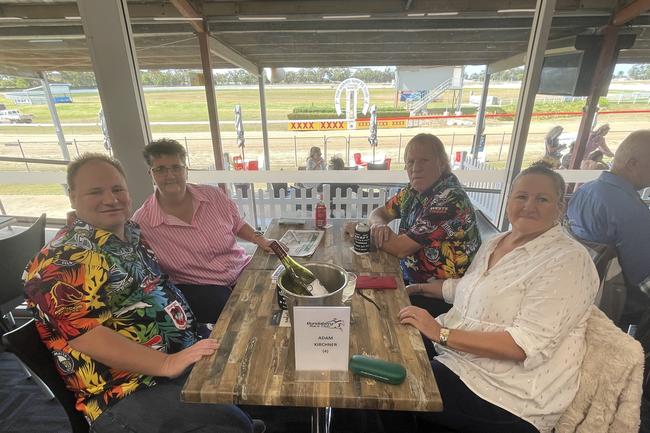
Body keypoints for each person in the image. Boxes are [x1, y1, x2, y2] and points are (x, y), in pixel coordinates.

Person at [22, 153, 260, 433]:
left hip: (179, 354)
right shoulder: (63, 259)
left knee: (258, 360)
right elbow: (87, 337)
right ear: (72, 196)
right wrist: (168, 362)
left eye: (117, 189)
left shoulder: (131, 233)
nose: (110, 199)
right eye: (95, 192)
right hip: (128, 390)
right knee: (234, 425)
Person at [394, 162, 599, 433]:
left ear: (560, 208)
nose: (529, 206)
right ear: (509, 201)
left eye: (543, 199)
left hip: (506, 394)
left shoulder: (568, 260)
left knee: (383, 391)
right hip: (458, 358)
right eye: (522, 197)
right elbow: (468, 288)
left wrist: (439, 332)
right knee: (387, 344)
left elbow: (521, 345)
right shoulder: (497, 242)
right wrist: (416, 289)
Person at [132, 139, 277, 324]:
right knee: (243, 318)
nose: (170, 175)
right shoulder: (142, 222)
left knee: (277, 292)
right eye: (160, 170)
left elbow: (236, 223)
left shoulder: (213, 195)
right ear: (150, 174)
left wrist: (260, 240)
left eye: (176, 167)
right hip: (203, 291)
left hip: (241, 269)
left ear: (186, 170)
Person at [350, 133, 481, 317]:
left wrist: (363, 231)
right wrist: (377, 225)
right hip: (412, 282)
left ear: (442, 163)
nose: (416, 168)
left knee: (368, 311)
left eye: (424, 160)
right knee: (357, 290)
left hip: (442, 300)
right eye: (410, 162)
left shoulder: (449, 199)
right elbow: (379, 213)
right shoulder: (413, 191)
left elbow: (400, 248)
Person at [568, 129, 650, 328]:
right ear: (633, 164)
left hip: (579, 284)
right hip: (613, 296)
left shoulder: (585, 191)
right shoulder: (633, 212)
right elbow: (641, 277)